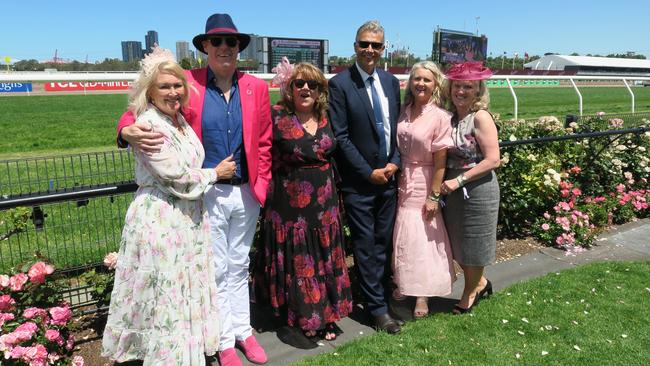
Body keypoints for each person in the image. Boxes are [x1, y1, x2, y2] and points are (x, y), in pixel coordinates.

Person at [115, 13, 272, 366]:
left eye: (231, 42)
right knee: (215, 268)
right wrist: (125, 129)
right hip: (206, 192)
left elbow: (263, 141)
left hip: (246, 191)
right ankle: (224, 340)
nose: (224, 48)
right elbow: (141, 105)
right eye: (216, 42)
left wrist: (262, 182)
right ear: (205, 47)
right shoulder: (188, 83)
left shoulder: (256, 88)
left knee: (238, 263)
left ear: (239, 48)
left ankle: (244, 331)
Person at [101, 47, 220, 365]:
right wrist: (216, 174)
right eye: (164, 86)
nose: (173, 91)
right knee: (165, 295)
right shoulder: (148, 126)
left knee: (180, 291)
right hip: (163, 221)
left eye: (177, 85)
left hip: (185, 219)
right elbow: (176, 177)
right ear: (149, 91)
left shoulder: (180, 117)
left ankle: (185, 353)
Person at [252, 59, 353, 349]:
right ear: (289, 87)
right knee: (298, 260)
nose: (306, 88)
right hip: (287, 204)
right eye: (299, 83)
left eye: (313, 84)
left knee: (324, 255)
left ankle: (327, 313)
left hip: (325, 201)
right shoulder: (276, 114)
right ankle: (303, 318)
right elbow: (257, 148)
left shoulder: (328, 115)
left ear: (320, 89)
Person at [328, 20, 402, 334]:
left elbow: (397, 129)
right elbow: (341, 137)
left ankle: (381, 296)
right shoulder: (340, 84)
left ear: (383, 48)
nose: (370, 50)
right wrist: (367, 172)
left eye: (376, 45)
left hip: (389, 178)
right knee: (366, 245)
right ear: (355, 46)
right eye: (364, 44)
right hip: (361, 182)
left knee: (384, 243)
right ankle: (377, 309)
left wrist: (395, 163)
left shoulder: (391, 82)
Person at [392, 61, 456, 319]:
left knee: (423, 235)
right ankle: (404, 281)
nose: (420, 83)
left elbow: (441, 162)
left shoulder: (440, 117)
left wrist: (434, 195)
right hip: (402, 178)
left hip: (426, 177)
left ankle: (423, 294)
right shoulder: (404, 111)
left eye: (426, 80)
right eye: (416, 79)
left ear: (435, 84)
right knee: (404, 232)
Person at [440, 61, 500, 314]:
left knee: (475, 244)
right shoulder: (451, 116)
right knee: (458, 243)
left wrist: (459, 180)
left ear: (478, 90)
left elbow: (493, 159)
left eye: (468, 86)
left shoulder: (480, 117)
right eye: (457, 86)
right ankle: (482, 283)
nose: (461, 91)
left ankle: (470, 292)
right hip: (452, 191)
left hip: (476, 189)